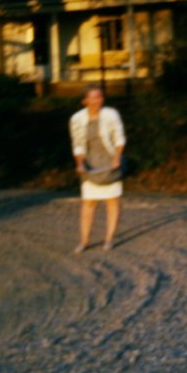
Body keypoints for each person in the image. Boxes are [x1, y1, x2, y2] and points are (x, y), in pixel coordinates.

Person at [69, 86, 126, 253]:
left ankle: (109, 239)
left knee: (112, 201)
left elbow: (119, 137)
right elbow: (77, 143)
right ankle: (84, 241)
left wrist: (117, 158)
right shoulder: (77, 119)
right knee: (88, 203)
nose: (97, 100)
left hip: (109, 161)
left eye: (99, 97)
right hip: (90, 163)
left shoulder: (111, 114)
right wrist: (79, 163)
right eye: (93, 97)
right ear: (85, 101)